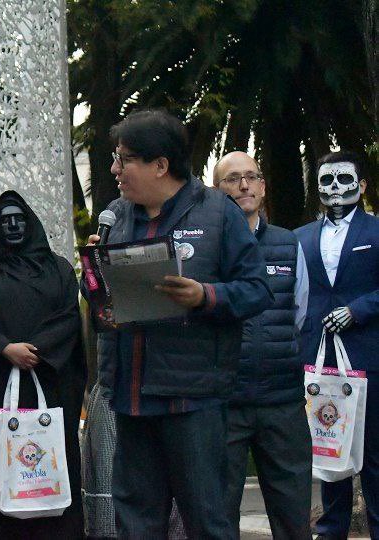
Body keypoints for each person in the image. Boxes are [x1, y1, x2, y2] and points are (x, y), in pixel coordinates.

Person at [87, 110, 272, 538]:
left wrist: (205, 296)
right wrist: (95, 274)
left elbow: (258, 290)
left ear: (160, 165)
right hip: (131, 398)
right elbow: (103, 304)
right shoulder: (116, 215)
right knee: (136, 522)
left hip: (193, 400)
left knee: (207, 520)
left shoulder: (217, 213)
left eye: (123, 159)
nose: (114, 169)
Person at [0, 190, 86, 539]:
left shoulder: (58, 268)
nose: (13, 226)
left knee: (53, 462)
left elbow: (69, 317)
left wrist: (36, 350)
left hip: (49, 380)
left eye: (19, 219)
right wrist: (4, 348)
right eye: (5, 221)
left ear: (31, 223)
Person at [213, 151, 312, 539]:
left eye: (252, 176)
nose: (244, 185)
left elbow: (298, 313)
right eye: (232, 179)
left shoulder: (289, 244)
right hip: (225, 401)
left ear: (263, 186)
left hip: (282, 400)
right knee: (218, 516)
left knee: (293, 514)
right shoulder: (207, 247)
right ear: (216, 191)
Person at [294, 150, 379, 539]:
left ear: (361, 185)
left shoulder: (375, 232)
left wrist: (357, 310)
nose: (334, 188)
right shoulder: (300, 238)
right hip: (318, 362)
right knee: (329, 449)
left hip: (368, 357)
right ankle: (331, 532)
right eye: (326, 180)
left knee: (374, 453)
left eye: (344, 179)